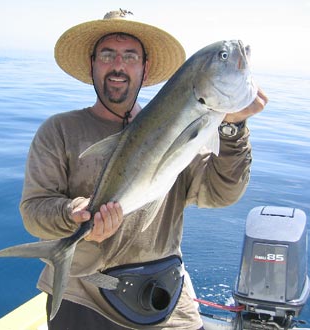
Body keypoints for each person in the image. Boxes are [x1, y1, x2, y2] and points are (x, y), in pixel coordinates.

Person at [20, 9, 268, 330]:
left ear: (145, 68)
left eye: (130, 56)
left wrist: (233, 128)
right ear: (92, 64)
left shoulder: (184, 124)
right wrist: (73, 215)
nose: (118, 65)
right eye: (107, 55)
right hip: (83, 297)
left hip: (166, 299)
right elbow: (33, 211)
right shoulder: (59, 130)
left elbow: (220, 194)